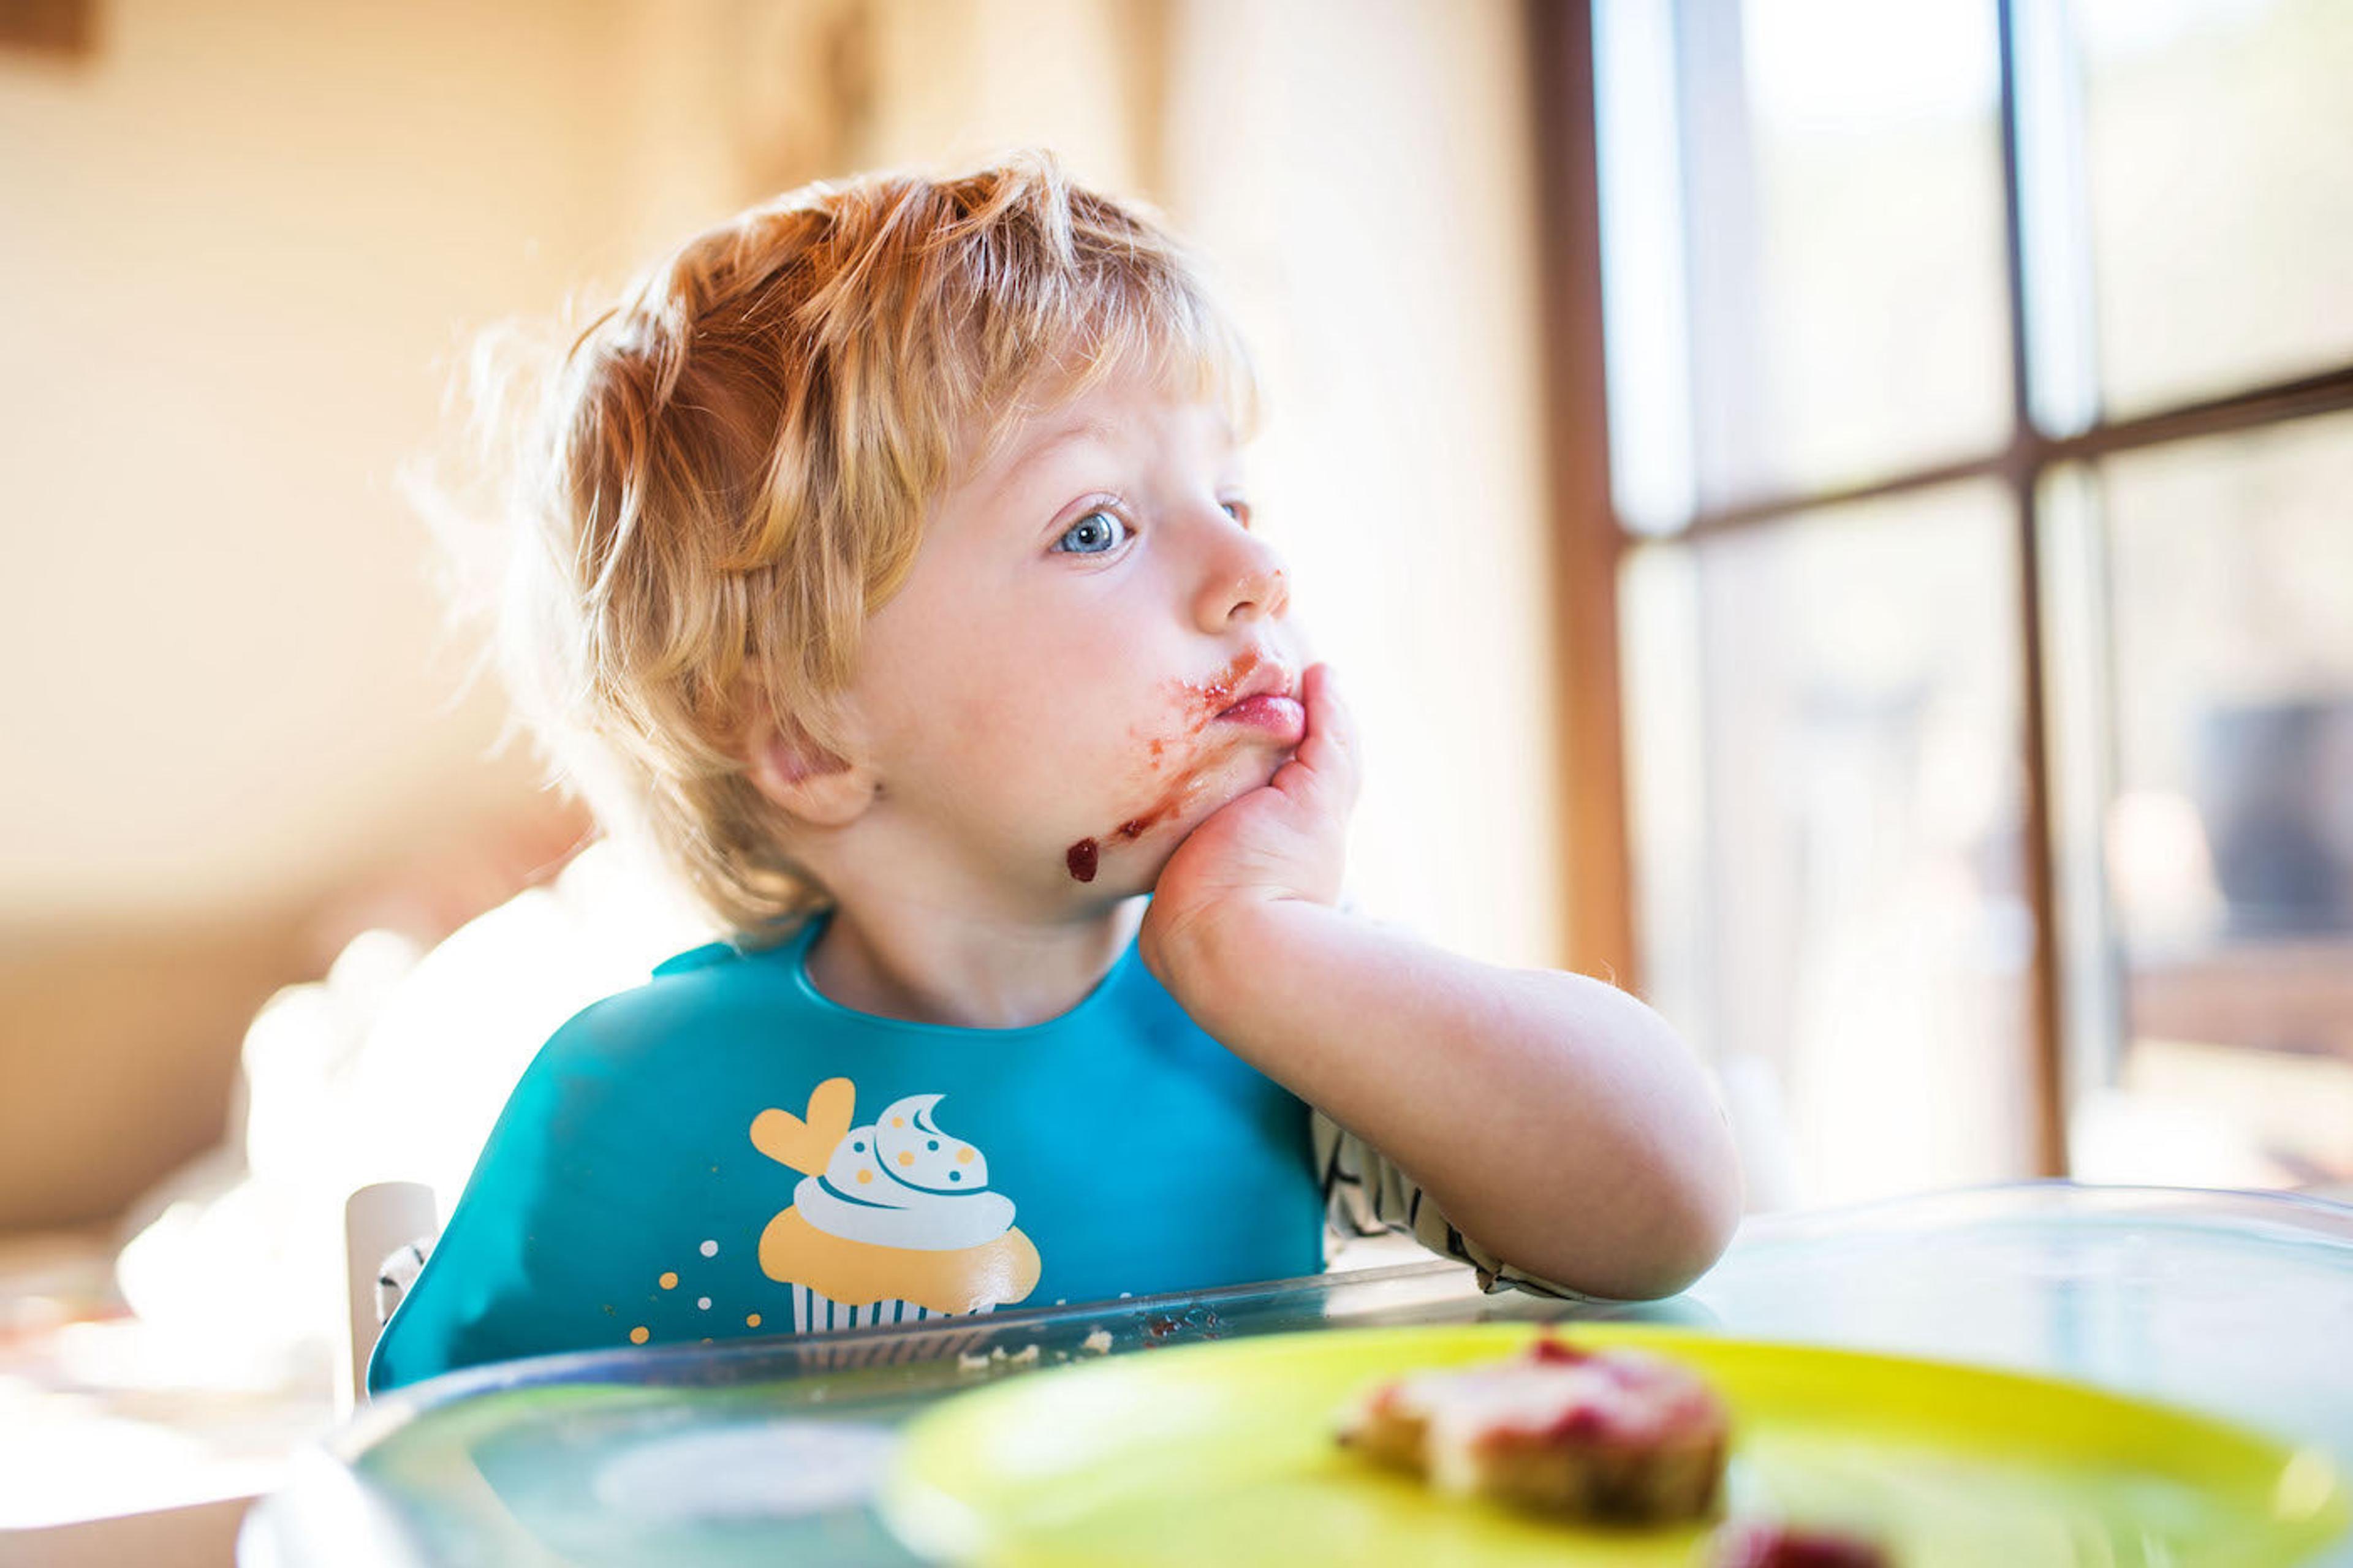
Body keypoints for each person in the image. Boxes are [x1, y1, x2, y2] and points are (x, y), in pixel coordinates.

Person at [367, 151, 1741, 1393]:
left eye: (1234, 500)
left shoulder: (1282, 1012)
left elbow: (1667, 1210)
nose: (1256, 568)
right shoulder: (637, 1103)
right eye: (1096, 528)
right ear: (811, 740)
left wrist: (1260, 947)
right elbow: (433, 1480)